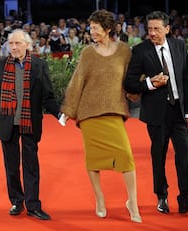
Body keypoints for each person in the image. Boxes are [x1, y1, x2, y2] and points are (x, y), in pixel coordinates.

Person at [60, 9, 142, 223]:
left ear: (107, 29)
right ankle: (99, 199)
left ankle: (132, 202)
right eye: (91, 28)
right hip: (89, 114)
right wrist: (68, 110)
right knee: (93, 160)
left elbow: (131, 76)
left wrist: (141, 88)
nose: (92, 31)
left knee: (126, 156)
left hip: (114, 110)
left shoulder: (124, 51)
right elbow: (77, 81)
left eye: (95, 28)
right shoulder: (87, 52)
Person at [124, 11, 188, 214]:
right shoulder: (140, 51)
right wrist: (151, 83)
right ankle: (162, 197)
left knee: (184, 155)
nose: (151, 33)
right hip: (156, 114)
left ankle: (185, 198)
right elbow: (129, 83)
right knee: (158, 156)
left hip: (178, 112)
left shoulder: (179, 46)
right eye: (149, 29)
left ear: (167, 29)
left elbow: (187, 80)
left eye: (156, 29)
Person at [0, 29, 62, 220]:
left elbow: (47, 96)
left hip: (30, 122)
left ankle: (33, 205)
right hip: (7, 123)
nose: (13, 47)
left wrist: (61, 115)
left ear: (27, 45)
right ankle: (17, 202)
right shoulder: (1, 65)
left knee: (31, 166)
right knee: (11, 167)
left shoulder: (39, 65)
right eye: (10, 44)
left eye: (17, 43)